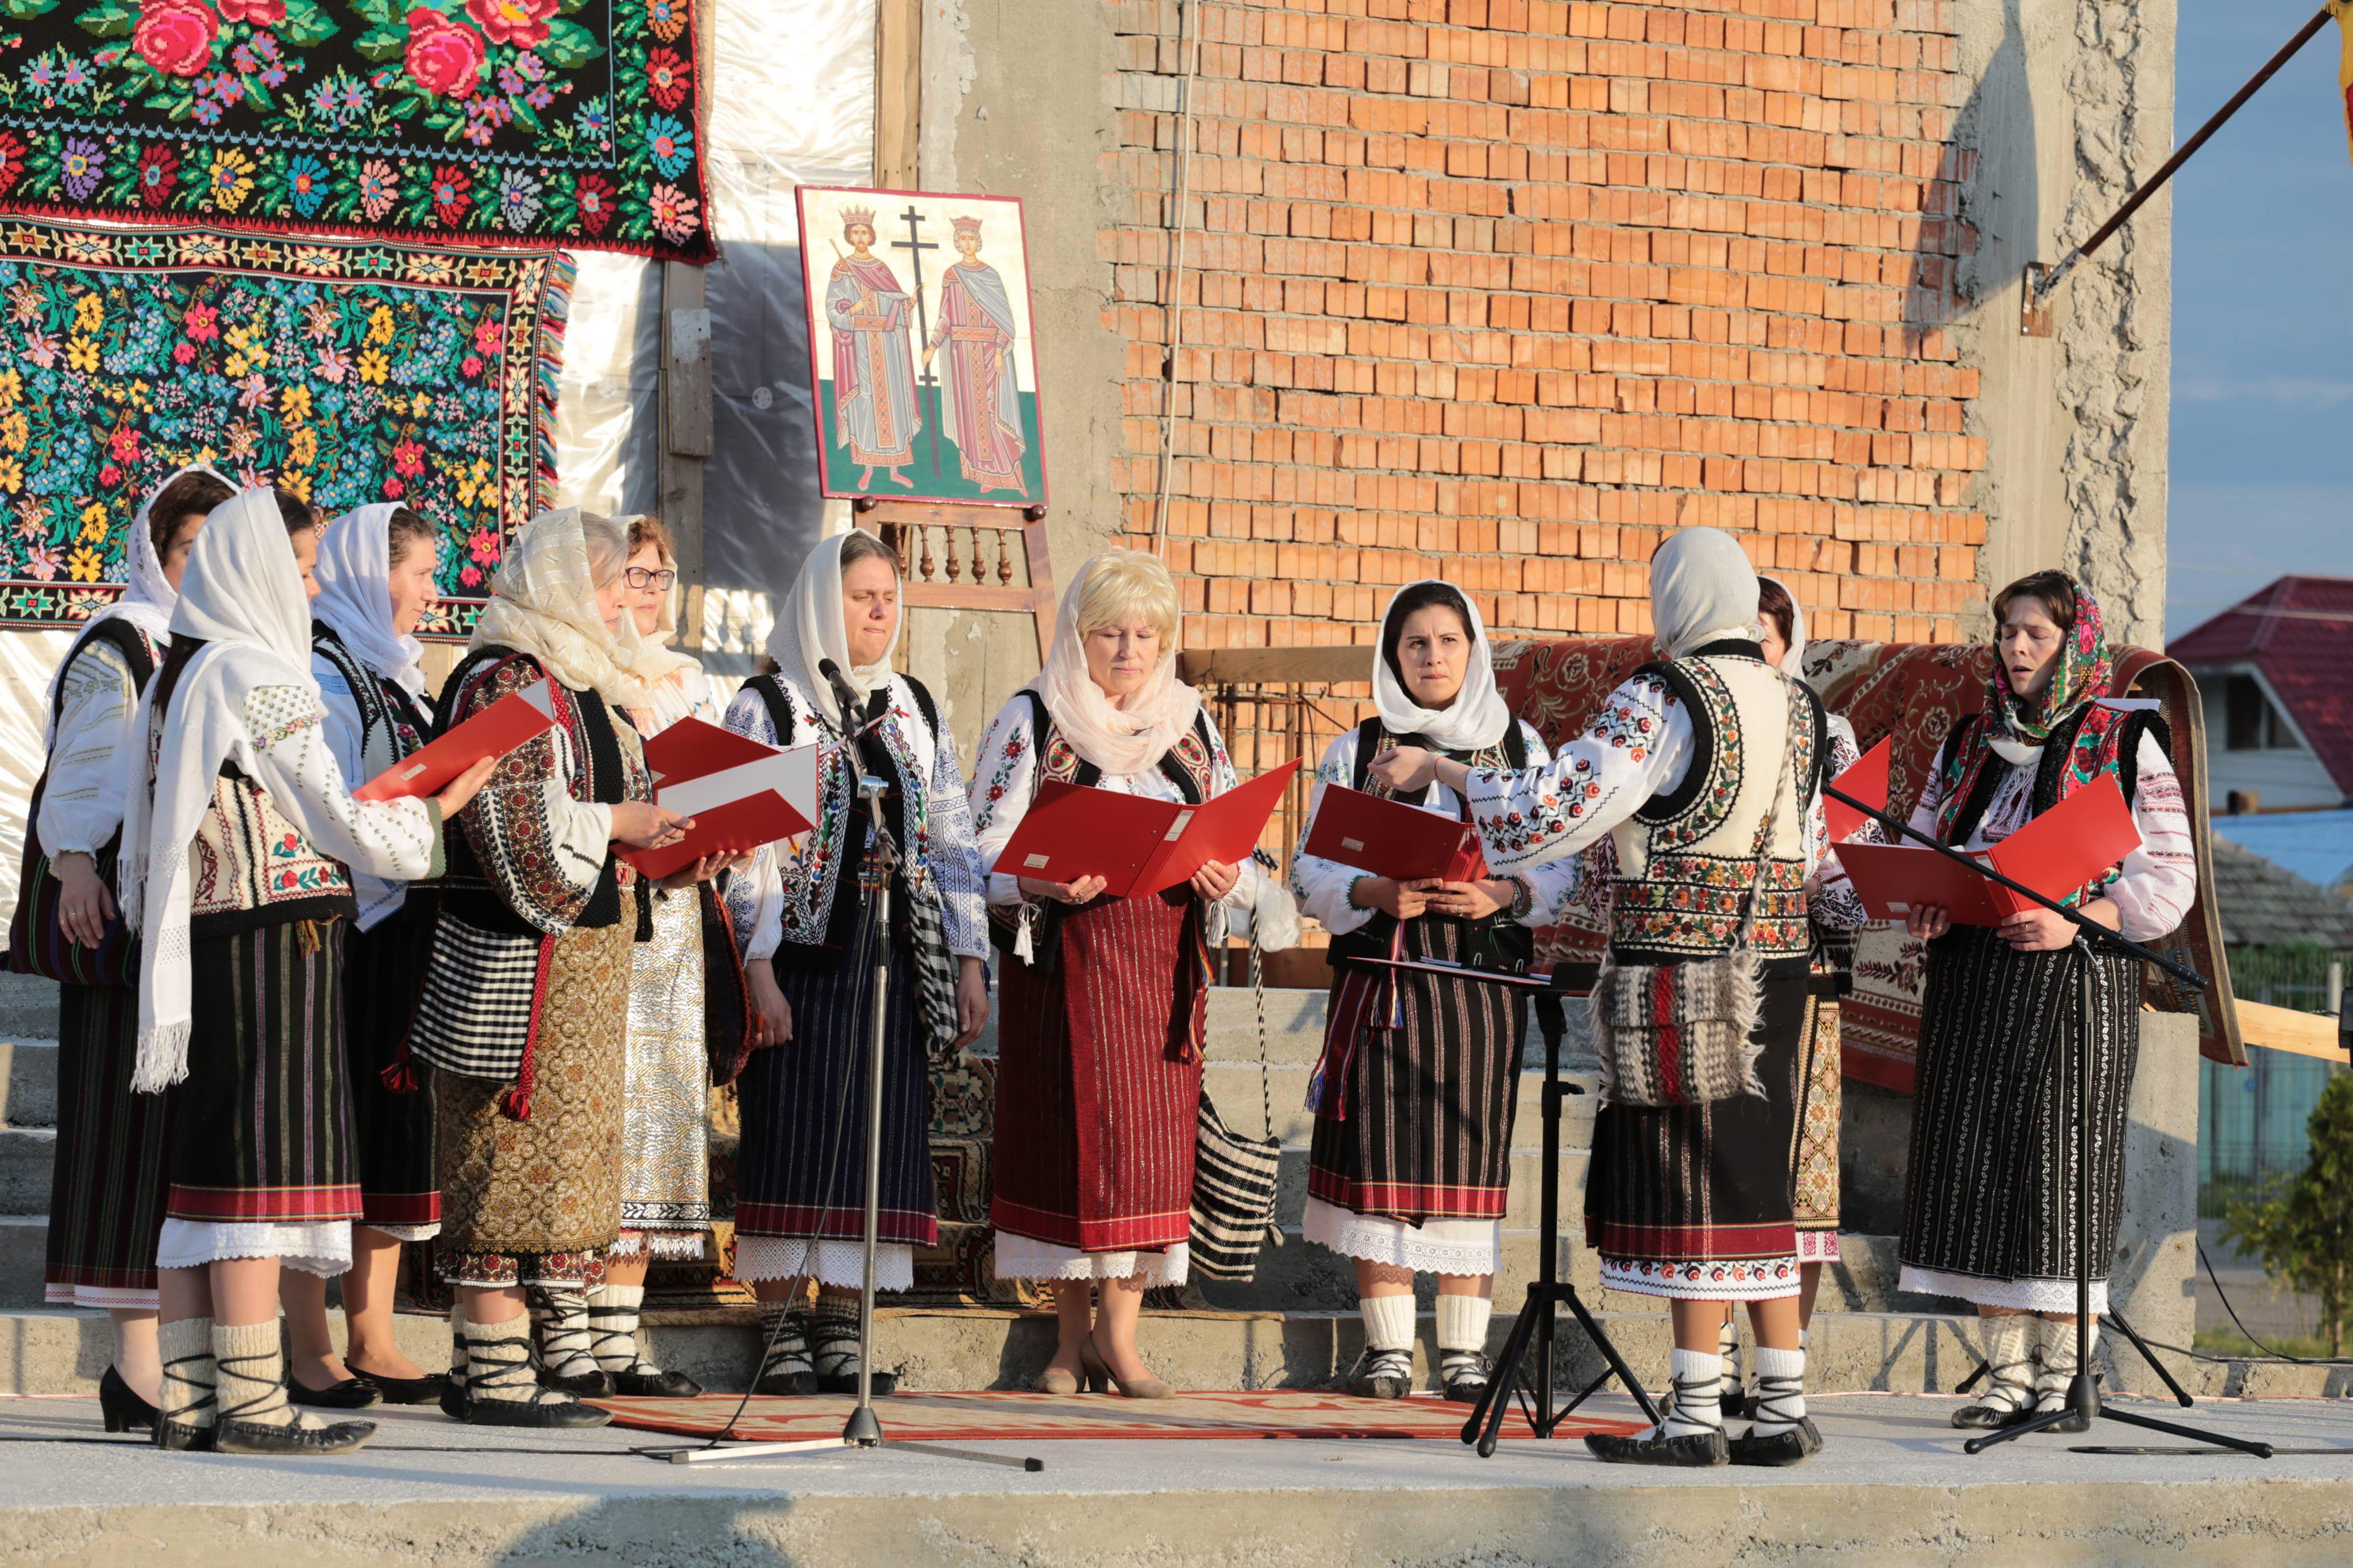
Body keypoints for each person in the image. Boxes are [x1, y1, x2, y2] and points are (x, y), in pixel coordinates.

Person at [1371, 526, 1831, 1467]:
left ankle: (1696, 1415)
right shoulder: (1798, 702)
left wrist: (1449, 769)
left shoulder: (1666, 695)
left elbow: (1556, 808)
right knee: (1754, 1184)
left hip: (1685, 970)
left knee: (1694, 1187)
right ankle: (1781, 1406)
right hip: (1779, 970)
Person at [122, 487, 493, 1456]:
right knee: (257, 1174)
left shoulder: (180, 674)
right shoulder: (258, 675)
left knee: (203, 1177)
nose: (311, 584)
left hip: (209, 941)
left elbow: (144, 834)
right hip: (274, 942)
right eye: (298, 568)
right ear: (250, 571)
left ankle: (197, 1400)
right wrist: (441, 807)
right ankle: (253, 1403)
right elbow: (335, 812)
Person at [1895, 571, 2193, 1433]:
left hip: (2074, 980)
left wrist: (2082, 921)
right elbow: (1929, 837)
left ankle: (2067, 1375)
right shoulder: (1969, 742)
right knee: (1979, 1164)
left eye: (2036, 635)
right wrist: (1928, 899)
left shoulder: (2124, 740)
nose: (2016, 649)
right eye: (2006, 633)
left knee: (2059, 1170)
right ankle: (2006, 1374)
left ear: (2075, 643)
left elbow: (2169, 879)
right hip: (1975, 976)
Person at [971, 549, 1268, 1398]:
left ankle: (1121, 1337)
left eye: (1146, 634)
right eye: (1110, 633)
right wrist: (1037, 874)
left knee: (1147, 1150)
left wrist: (1226, 875)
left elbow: (1237, 842)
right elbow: (981, 844)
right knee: (1066, 1142)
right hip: (1064, 961)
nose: (1129, 650)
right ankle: (1068, 1341)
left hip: (1160, 962)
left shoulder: (1191, 723)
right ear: (1077, 633)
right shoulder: (1033, 717)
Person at [417, 507, 690, 1428]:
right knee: (504, 1154)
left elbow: (623, 806)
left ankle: (507, 1359)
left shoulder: (588, 684)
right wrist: (619, 826)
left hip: (589, 957)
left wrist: (676, 852)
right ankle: (488, 1369)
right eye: (611, 581)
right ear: (567, 585)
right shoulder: (505, 678)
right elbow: (509, 821)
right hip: (519, 956)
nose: (622, 599)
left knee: (563, 1163)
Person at [1287, 580, 1573, 1404]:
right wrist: (1372, 891)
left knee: (1466, 1153)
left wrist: (1504, 895)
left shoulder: (1518, 748)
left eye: (1449, 640)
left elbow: (1561, 860)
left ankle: (1463, 1354)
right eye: (1416, 643)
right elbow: (1313, 867)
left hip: (1478, 982)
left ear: (1474, 650)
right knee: (1378, 1158)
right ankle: (1385, 1351)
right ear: (1393, 655)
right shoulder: (1359, 748)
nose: (1434, 657)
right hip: (1383, 977)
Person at [724, 528, 990, 1396]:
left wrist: (968, 956)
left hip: (892, 960)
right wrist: (756, 964)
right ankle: (778, 1323)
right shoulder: (767, 705)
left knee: (871, 1141)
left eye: (889, 594)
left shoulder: (912, 704)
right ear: (817, 602)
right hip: (800, 958)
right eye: (861, 594)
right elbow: (747, 847)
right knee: (794, 1138)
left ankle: (842, 1323)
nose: (881, 609)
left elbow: (950, 838)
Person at [33, 465, 232, 1434]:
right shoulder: (122, 644)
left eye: (216, 550)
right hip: (118, 914)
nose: (199, 567)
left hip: (195, 921)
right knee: (125, 1136)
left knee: (179, 1141)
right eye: (187, 548)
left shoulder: (226, 650)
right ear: (156, 552)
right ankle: (136, 1365)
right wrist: (74, 863)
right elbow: (85, 764)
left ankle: (176, 1363)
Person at [267, 504, 451, 1412]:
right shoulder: (323, 673)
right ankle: (308, 1340)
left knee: (389, 1129)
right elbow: (330, 809)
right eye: (419, 573)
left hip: (400, 930)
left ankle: (371, 1332)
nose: (431, 591)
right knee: (328, 1135)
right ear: (365, 573)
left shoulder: (397, 675)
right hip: (344, 931)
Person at [1699, 575, 1872, 1418]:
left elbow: (1856, 877)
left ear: (1789, 642)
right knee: (1715, 1167)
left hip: (1801, 981)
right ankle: (1716, 1363)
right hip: (1710, 976)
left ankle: (1781, 1372)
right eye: (1737, 633)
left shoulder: (1825, 733)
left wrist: (1806, 886)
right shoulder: (1696, 720)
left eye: (1765, 636)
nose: (1752, 651)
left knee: (1798, 1181)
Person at [574, 513, 734, 1400]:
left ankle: (621, 1336)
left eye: (661, 575)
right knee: (605, 1122)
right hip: (604, 917)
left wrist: (725, 839)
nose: (648, 592)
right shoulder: (585, 679)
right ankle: (576, 1333)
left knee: (658, 1128)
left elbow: (715, 789)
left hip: (674, 920)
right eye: (633, 575)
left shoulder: (693, 684)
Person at [826, 207, 921, 489]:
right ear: (848, 236)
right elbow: (832, 309)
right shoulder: (842, 270)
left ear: (872, 235)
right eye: (855, 232)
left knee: (892, 402)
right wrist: (853, 308)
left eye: (864, 232)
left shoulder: (880, 268)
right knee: (865, 402)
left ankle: (894, 470)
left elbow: (896, 303)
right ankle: (867, 468)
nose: (860, 237)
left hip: (889, 345)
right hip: (861, 345)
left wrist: (909, 303)